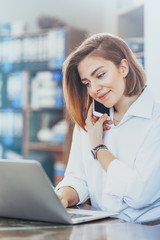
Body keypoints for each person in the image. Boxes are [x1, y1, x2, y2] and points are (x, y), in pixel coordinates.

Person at [55, 33, 160, 223]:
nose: (94, 88)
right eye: (87, 83)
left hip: (144, 230)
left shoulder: (155, 119)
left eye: (100, 75)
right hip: (99, 226)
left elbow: (139, 195)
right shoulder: (91, 121)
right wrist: (62, 196)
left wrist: (98, 147)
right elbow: (78, 178)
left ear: (123, 68)